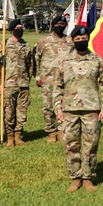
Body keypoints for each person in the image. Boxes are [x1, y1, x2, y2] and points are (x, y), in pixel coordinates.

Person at [53, 25, 103, 192]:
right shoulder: (63, 61)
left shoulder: (97, 60)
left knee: (90, 144)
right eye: (77, 39)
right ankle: (75, 177)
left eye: (83, 38)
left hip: (91, 109)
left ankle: (87, 177)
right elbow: (57, 87)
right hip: (69, 110)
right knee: (70, 145)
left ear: (88, 39)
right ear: (72, 40)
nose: (81, 41)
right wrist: (58, 109)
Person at [0, 19, 34, 148]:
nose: (20, 29)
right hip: (9, 84)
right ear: (12, 30)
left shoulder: (26, 45)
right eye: (17, 27)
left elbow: (31, 64)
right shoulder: (4, 45)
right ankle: (10, 137)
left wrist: (28, 79)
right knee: (9, 112)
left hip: (23, 84)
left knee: (22, 112)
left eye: (21, 27)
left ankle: (18, 135)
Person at [34, 15, 72, 143]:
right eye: (57, 23)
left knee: (64, 105)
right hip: (48, 79)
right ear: (53, 25)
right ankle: (51, 131)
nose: (60, 26)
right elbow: (36, 59)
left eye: (62, 24)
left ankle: (62, 129)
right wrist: (37, 76)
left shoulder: (70, 41)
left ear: (66, 26)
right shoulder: (44, 41)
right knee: (48, 106)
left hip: (65, 79)